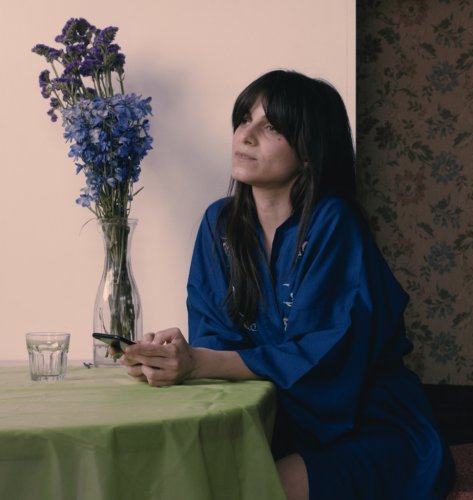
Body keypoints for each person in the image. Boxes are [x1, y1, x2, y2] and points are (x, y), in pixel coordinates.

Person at [120, 70, 455, 500]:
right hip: (272, 420)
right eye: (244, 119)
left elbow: (327, 355)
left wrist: (200, 362)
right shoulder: (219, 223)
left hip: (367, 426)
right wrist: (172, 358)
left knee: (248, 490)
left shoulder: (334, 222)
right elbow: (215, 337)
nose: (246, 135)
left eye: (271, 127)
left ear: (309, 151)